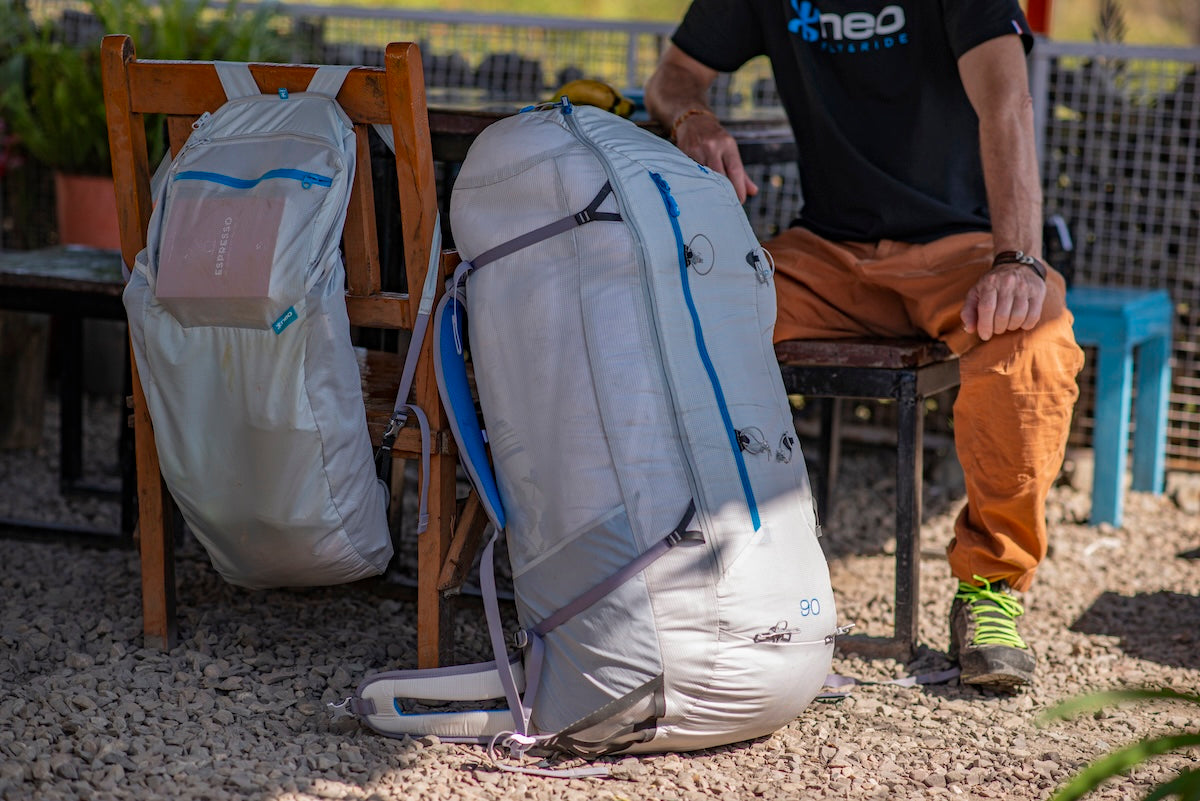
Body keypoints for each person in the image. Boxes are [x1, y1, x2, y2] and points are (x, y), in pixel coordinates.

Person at [645, 0, 1085, 690]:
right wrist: (691, 115)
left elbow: (1009, 104)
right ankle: (675, 566)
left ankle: (990, 589)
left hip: (961, 253)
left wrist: (1017, 260)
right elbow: (672, 74)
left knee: (1035, 342)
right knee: (675, 313)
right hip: (826, 252)